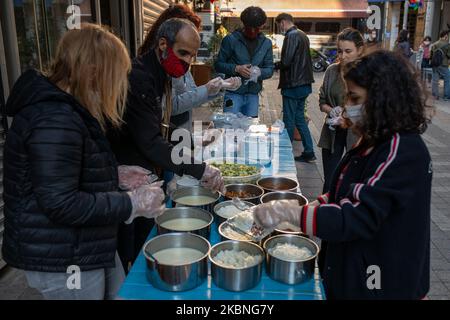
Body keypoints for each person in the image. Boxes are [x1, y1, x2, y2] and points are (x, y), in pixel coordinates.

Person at [1, 24, 166, 300]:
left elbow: (61, 173)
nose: (119, 85)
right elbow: (60, 203)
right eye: (116, 74)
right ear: (92, 70)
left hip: (84, 243)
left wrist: (114, 174)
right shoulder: (54, 118)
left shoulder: (65, 108)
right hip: (63, 256)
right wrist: (131, 203)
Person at [253, 50, 432, 300]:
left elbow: (356, 216)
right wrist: (317, 204)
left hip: (382, 283)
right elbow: (348, 189)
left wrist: (293, 213)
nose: (347, 106)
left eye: (354, 97)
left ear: (383, 99)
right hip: (356, 269)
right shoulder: (374, 139)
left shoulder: (401, 150)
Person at [107, 18, 225, 271]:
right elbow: (150, 141)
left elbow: (158, 126)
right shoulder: (140, 77)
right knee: (135, 250)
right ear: (163, 44)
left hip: (144, 172)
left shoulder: (161, 74)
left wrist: (191, 140)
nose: (187, 63)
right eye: (183, 53)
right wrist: (200, 169)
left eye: (192, 56)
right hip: (129, 175)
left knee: (143, 241)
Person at [137, 4, 239, 131]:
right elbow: (170, 107)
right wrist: (206, 89)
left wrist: (217, 88)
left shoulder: (179, 61)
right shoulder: (155, 66)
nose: (188, 59)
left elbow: (191, 94)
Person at [319, 28, 363, 193]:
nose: (343, 56)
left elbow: (372, 107)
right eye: (339, 51)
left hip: (357, 135)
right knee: (330, 182)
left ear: (359, 50)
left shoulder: (368, 73)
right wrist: (331, 110)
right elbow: (322, 100)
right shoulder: (332, 71)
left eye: (348, 51)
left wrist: (347, 115)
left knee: (350, 184)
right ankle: (324, 213)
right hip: (332, 132)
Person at [215, 6, 274, 117]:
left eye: (256, 28)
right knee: (230, 130)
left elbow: (270, 69)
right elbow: (218, 65)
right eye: (249, 27)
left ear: (261, 26)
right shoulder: (231, 40)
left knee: (249, 131)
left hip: (253, 95)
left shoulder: (266, 43)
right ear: (243, 24)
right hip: (233, 93)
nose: (252, 31)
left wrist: (258, 72)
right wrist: (236, 68)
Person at [275, 13, 315, 163]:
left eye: (280, 25)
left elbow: (286, 62)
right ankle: (309, 151)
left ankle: (285, 153)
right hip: (304, 84)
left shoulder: (291, 36)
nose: (280, 28)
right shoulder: (303, 35)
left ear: (284, 22)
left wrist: (273, 65)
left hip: (293, 85)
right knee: (299, 119)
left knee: (289, 120)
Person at [431, 30, 450, 101]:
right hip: (443, 64)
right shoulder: (447, 44)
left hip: (435, 64)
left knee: (435, 80)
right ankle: (446, 96)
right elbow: (449, 55)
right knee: (448, 79)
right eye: (448, 35)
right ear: (445, 36)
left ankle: (435, 95)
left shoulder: (435, 44)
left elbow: (431, 54)